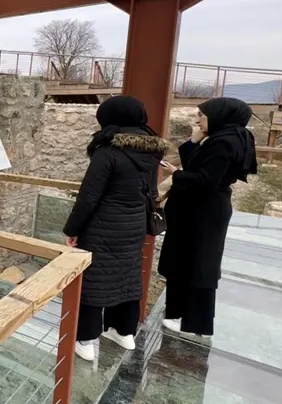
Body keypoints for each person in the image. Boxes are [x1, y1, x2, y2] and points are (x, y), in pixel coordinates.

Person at [63, 96, 169, 361]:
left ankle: (86, 340)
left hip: (103, 226)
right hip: (133, 226)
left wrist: (72, 229)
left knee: (94, 279)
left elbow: (89, 196)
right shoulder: (151, 151)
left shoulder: (108, 150)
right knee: (127, 276)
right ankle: (123, 332)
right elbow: (150, 192)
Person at [158, 97, 257, 337]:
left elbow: (205, 180)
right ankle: (179, 314)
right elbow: (197, 166)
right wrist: (193, 141)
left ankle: (195, 323)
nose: (198, 120)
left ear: (219, 116)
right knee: (186, 262)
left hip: (202, 212)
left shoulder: (223, 142)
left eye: (202, 115)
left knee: (199, 265)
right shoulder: (227, 137)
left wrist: (175, 174)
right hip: (201, 210)